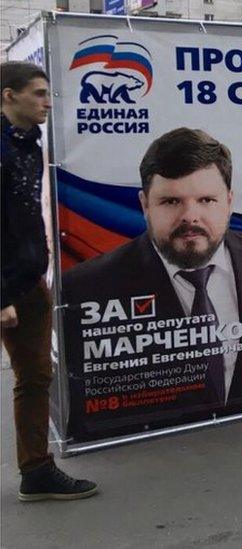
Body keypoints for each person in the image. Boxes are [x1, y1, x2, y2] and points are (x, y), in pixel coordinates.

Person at [61, 128, 242, 439]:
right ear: (145, 205)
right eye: (171, 201)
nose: (191, 216)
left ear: (229, 202)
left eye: (206, 200)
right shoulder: (86, 286)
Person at [2, 61, 98, 501]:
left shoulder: (28, 142)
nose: (47, 102)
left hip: (28, 280)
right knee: (33, 376)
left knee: (36, 376)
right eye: (38, 93)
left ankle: (37, 471)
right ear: (9, 95)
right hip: (7, 288)